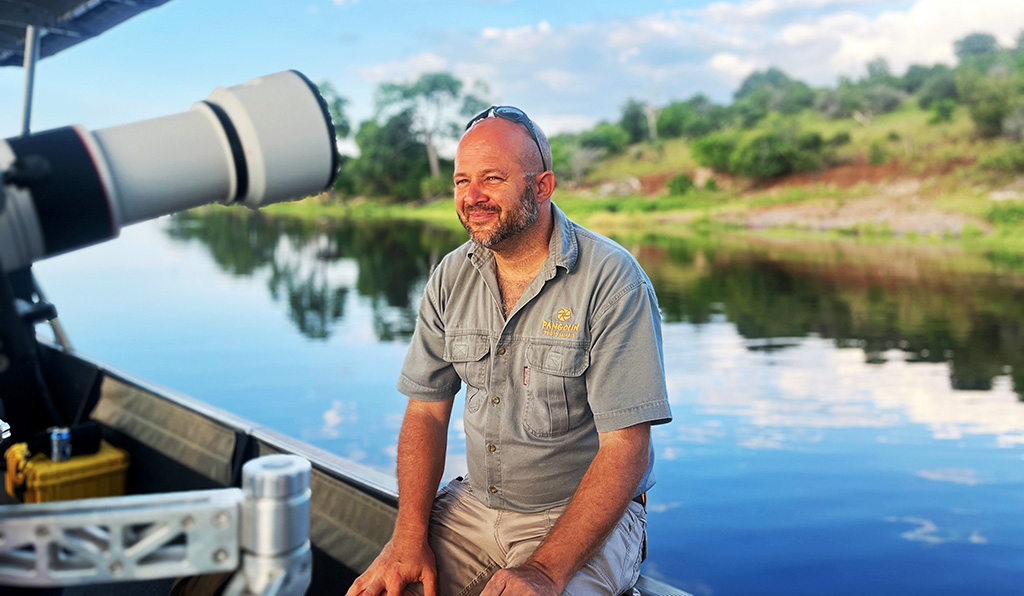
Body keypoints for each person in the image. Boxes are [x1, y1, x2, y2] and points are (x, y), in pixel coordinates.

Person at [346, 106, 672, 596]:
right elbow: (426, 415)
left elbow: (626, 448)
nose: (471, 197)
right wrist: (409, 536)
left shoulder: (612, 280)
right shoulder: (450, 276)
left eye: (492, 179)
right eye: (461, 181)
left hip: (584, 522)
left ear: (542, 186)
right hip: (476, 506)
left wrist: (543, 572)